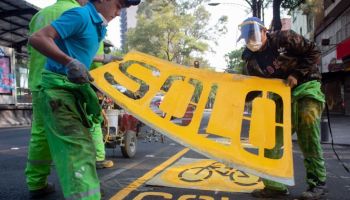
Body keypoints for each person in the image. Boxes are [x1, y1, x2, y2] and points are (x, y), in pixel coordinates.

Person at [27, 0, 140, 199]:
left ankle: (50, 184)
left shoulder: (98, 25)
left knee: (78, 147)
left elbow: (76, 47)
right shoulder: (79, 15)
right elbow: (37, 38)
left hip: (70, 89)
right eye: (118, 5)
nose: (118, 12)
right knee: (77, 149)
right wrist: (69, 62)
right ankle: (86, 193)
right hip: (57, 90)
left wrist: (104, 59)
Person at [238, 17, 327, 200]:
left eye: (254, 34)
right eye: (246, 38)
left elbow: (313, 52)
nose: (250, 40)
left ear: (264, 31)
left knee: (308, 129)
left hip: (306, 87)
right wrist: (237, 100)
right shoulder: (251, 62)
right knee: (271, 139)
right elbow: (255, 87)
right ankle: (274, 186)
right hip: (280, 97)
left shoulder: (284, 39)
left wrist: (296, 73)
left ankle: (317, 184)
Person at [25, 0, 89, 198]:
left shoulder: (40, 15)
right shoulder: (78, 14)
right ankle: (82, 189)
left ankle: (36, 183)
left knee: (40, 134)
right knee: (74, 137)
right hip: (64, 84)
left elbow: (31, 48)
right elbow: (86, 53)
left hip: (38, 81)